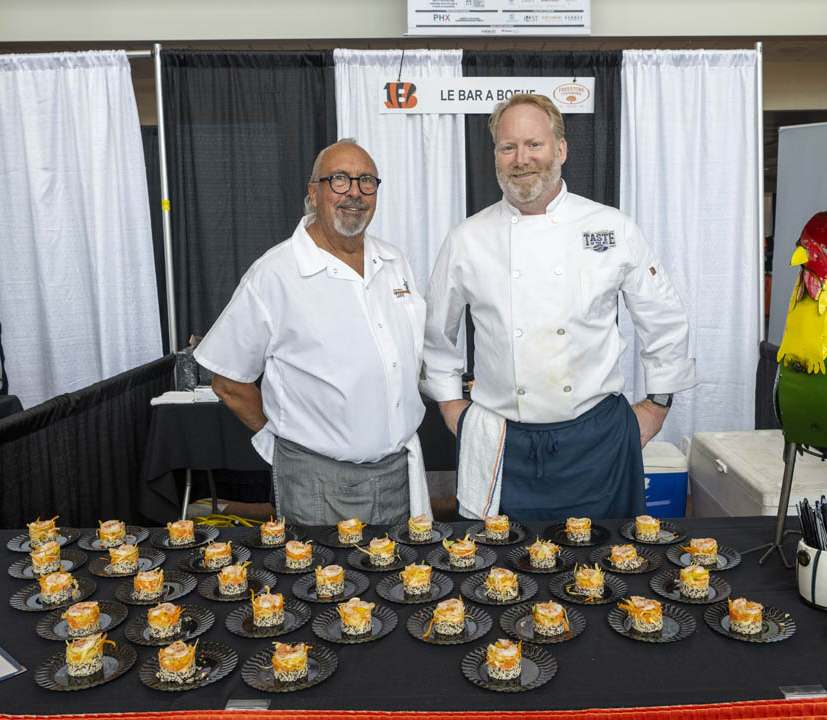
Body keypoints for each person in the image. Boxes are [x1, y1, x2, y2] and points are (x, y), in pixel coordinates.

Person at [421, 93, 695, 521]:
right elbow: (436, 333)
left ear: (561, 149)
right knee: (501, 559)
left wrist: (657, 404)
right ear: (495, 156)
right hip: (500, 440)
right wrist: (450, 404)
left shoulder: (610, 227)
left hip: (597, 436)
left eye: (534, 144)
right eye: (508, 147)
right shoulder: (466, 239)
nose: (521, 159)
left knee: (606, 554)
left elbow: (664, 318)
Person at [194, 140, 430, 526]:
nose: (354, 192)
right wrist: (280, 443)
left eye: (366, 181)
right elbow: (229, 383)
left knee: (398, 567)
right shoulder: (275, 273)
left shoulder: (393, 261)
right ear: (314, 191)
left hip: (397, 476)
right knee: (319, 568)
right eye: (339, 180)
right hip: (317, 483)